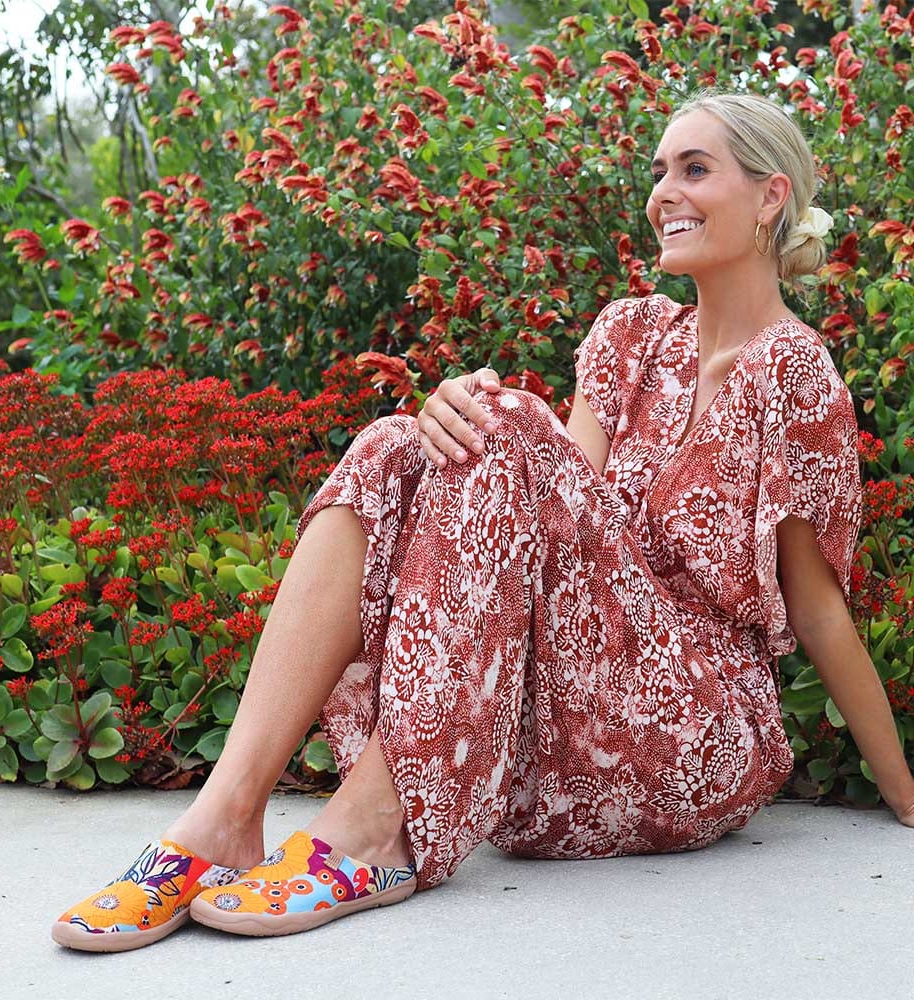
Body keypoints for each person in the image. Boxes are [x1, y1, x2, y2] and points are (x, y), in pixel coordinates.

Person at [51, 86, 914, 952]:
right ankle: (225, 819)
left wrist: (905, 792)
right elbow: (556, 515)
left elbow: (816, 609)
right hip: (564, 732)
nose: (665, 193)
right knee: (400, 443)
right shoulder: (630, 338)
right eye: (660, 172)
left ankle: (374, 827)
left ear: (770, 196)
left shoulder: (794, 371)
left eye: (695, 169)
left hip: (697, 737)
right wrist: (451, 421)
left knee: (499, 419)